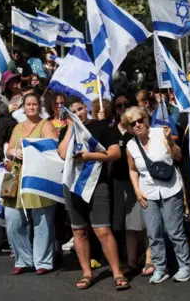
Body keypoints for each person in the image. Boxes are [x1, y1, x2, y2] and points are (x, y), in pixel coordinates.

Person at [57, 96, 130, 290]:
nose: (79, 113)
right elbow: (63, 153)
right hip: (73, 185)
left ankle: (117, 273)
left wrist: (89, 156)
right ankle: (87, 273)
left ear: (86, 108)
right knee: (79, 231)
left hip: (97, 183)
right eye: (74, 111)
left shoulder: (101, 127)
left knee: (102, 230)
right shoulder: (66, 130)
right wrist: (72, 127)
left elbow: (115, 153)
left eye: (81, 109)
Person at [124, 106, 190, 284]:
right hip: (147, 191)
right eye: (133, 123)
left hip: (171, 188)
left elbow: (178, 157)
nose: (138, 125)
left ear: (146, 119)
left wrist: (170, 140)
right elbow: (132, 170)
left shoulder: (161, 133)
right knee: (153, 232)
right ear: (129, 127)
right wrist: (137, 191)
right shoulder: (131, 145)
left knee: (174, 231)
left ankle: (185, 266)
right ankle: (161, 268)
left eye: (140, 120)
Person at [5, 93, 58, 275]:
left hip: (38, 178)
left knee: (42, 220)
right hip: (18, 177)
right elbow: (9, 150)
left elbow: (53, 149)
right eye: (28, 104)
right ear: (24, 107)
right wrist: (14, 152)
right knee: (13, 219)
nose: (31, 107)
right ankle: (23, 259)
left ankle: (43, 261)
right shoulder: (18, 127)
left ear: (39, 106)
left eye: (34, 104)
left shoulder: (46, 125)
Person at [109, 95, 153, 276]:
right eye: (118, 106)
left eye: (125, 104)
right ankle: (132, 261)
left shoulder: (138, 132)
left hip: (139, 181)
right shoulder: (111, 130)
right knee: (129, 225)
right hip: (119, 182)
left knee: (145, 224)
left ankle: (150, 260)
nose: (122, 108)